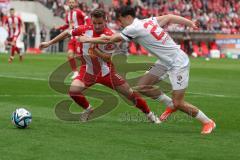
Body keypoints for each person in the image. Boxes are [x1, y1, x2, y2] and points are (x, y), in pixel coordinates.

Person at [78, 6, 216, 134]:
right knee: (142, 86)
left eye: (120, 20)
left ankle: (207, 122)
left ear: (127, 17)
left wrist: (88, 39)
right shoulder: (148, 21)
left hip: (178, 63)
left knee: (179, 102)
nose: (120, 24)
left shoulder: (132, 28)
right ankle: (170, 105)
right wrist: (190, 23)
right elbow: (169, 17)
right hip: (165, 61)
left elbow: (110, 39)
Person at [39, 9, 160, 124]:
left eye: (100, 23)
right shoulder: (85, 29)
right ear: (91, 21)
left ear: (105, 20)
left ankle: (150, 115)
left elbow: (108, 58)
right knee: (73, 91)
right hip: (87, 71)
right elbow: (67, 33)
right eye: (95, 23)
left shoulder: (111, 35)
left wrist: (95, 50)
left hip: (106, 73)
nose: (97, 26)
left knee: (130, 94)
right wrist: (49, 43)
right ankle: (88, 109)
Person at [55, 0, 86, 79]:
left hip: (79, 37)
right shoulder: (68, 14)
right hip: (72, 38)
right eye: (70, 2)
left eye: (73, 2)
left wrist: (86, 29)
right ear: (68, 4)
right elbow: (66, 24)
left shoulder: (78, 12)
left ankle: (86, 71)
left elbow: (87, 19)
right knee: (70, 54)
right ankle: (75, 72)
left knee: (79, 56)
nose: (71, 4)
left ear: (75, 3)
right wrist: (59, 28)